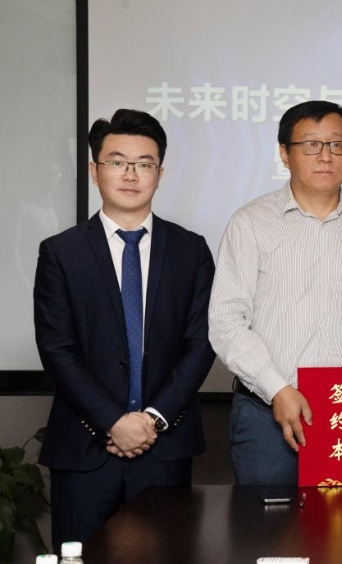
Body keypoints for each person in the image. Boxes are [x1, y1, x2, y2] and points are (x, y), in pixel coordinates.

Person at [34, 109, 215, 546]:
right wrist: (112, 421)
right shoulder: (61, 252)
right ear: (94, 171)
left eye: (144, 163)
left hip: (164, 449)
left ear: (160, 174)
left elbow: (201, 342)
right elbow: (57, 350)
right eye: (117, 161)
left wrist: (152, 420)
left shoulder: (191, 250)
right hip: (84, 449)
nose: (131, 174)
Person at [209, 100, 342, 485]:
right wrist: (277, 389)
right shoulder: (251, 223)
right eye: (311, 144)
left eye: (337, 145)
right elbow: (226, 321)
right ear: (284, 153)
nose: (326, 156)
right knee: (265, 522)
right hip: (267, 412)